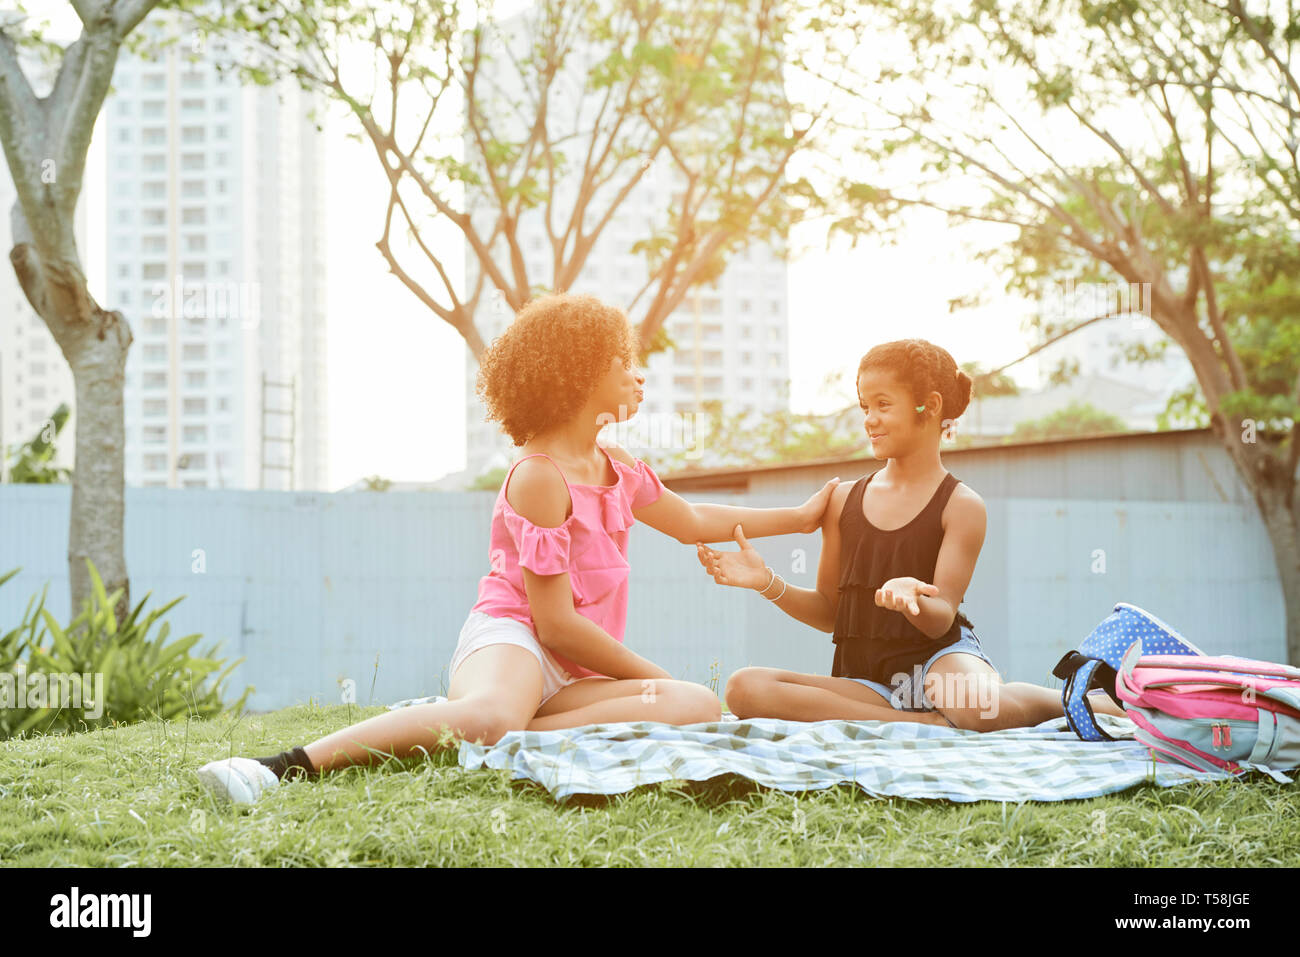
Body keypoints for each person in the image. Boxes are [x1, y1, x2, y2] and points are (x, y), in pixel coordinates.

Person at [198, 293, 839, 802]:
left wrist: (803, 518)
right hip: (517, 641)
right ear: (582, 371)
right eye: (624, 361)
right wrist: (650, 674)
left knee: (695, 705)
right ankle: (278, 768)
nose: (638, 376)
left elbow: (694, 518)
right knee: (511, 709)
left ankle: (488, 731)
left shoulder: (617, 466)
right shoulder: (540, 475)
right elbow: (554, 623)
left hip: (571, 676)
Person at [698, 338, 1126, 731]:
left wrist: (912, 596)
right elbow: (831, 611)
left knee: (978, 707)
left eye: (883, 405)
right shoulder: (842, 500)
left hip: (940, 662)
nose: (870, 419)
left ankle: (1084, 698)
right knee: (743, 688)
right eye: (865, 406)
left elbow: (940, 616)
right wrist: (765, 581)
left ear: (930, 406)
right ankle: (922, 726)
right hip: (867, 680)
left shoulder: (961, 505)